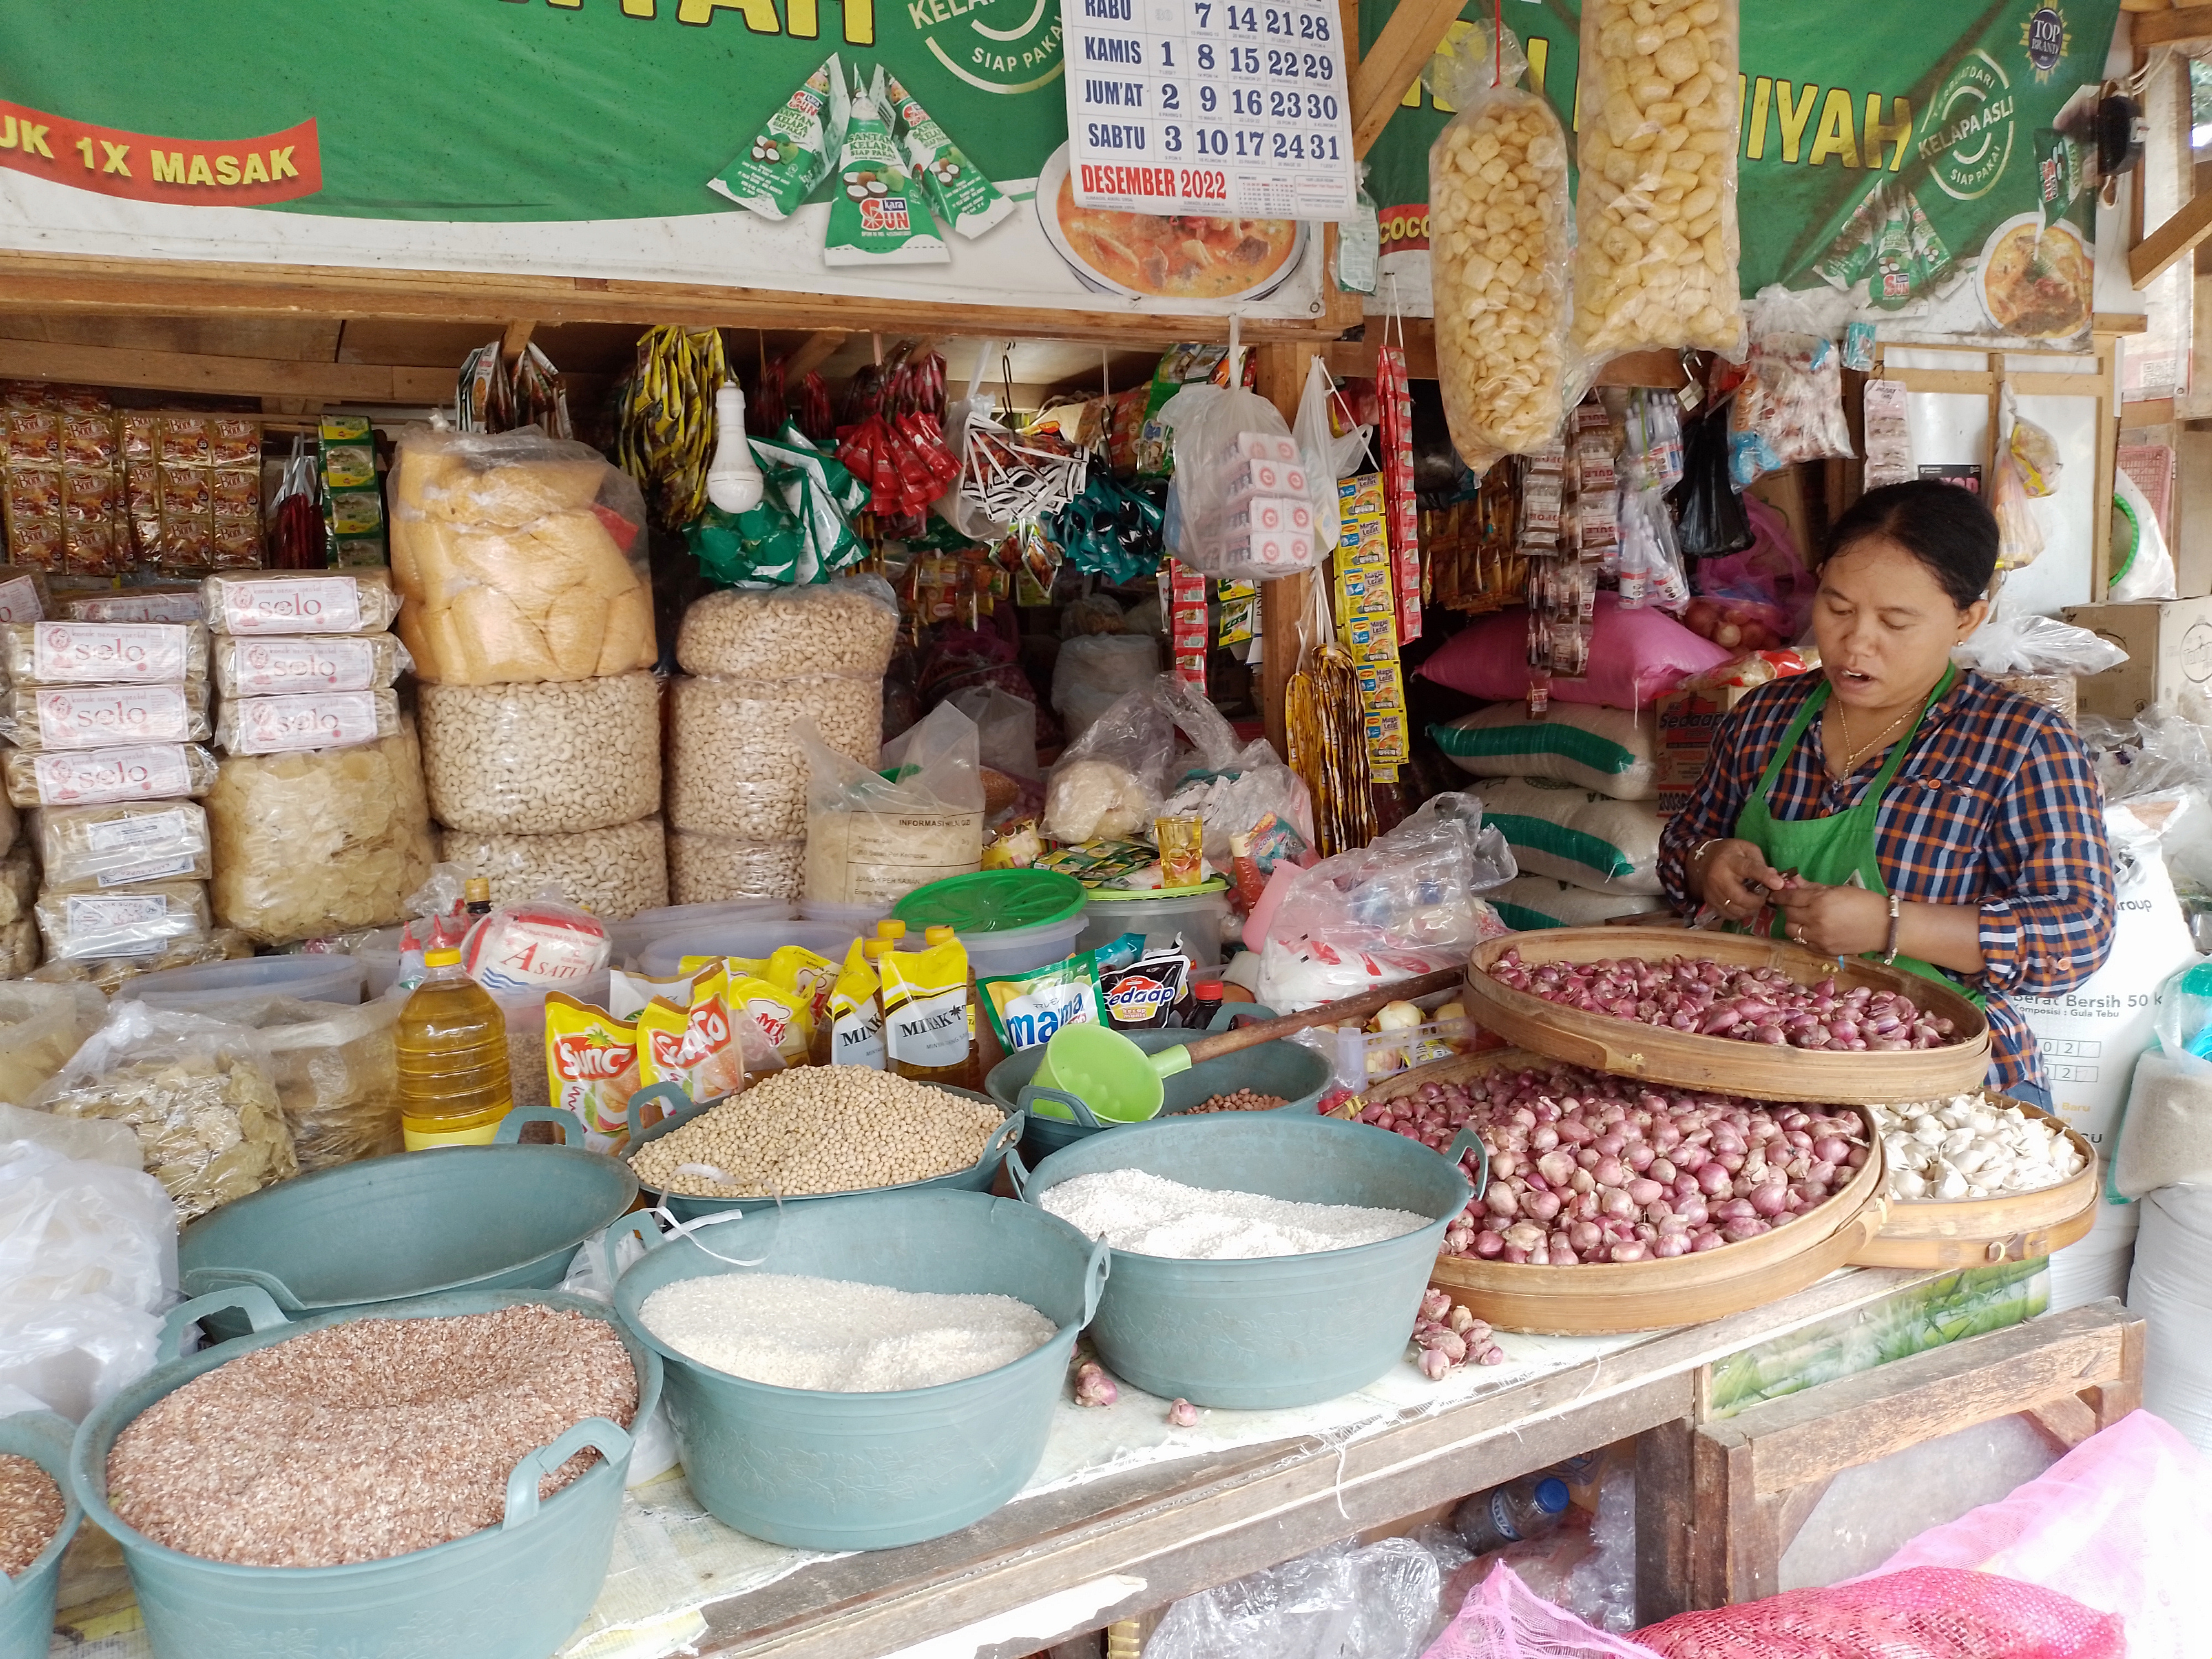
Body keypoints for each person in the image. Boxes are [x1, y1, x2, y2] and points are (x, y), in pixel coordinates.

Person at [1656, 480, 2114, 1109]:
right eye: (1838, 608)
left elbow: (2077, 935)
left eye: (1895, 622)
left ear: (1966, 619)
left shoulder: (2019, 744)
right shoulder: (1764, 717)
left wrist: (1888, 923)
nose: (1855, 642)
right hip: (1755, 1056)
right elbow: (1684, 839)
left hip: (1938, 1082)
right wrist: (1707, 862)